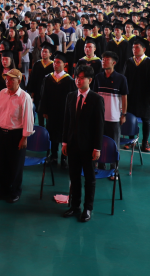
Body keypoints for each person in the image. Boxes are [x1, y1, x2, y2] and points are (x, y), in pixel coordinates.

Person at [61, 64, 104, 222]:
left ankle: (88, 208)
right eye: (76, 78)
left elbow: (99, 126)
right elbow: (67, 121)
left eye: (81, 78)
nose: (78, 81)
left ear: (90, 80)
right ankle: (75, 206)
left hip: (88, 147)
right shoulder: (71, 96)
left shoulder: (96, 99)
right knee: (74, 177)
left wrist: (97, 147)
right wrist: (64, 142)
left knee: (89, 178)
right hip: (72, 144)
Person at [0, 69, 34, 203]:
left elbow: (28, 118)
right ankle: (3, 189)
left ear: (19, 81)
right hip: (2, 133)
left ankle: (15, 191)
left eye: (11, 79)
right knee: (3, 164)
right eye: (7, 79)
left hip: (16, 135)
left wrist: (24, 138)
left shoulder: (24, 97)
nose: (8, 82)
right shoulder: (1, 94)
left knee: (16, 166)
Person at [121, 37, 150, 151]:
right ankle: (131, 140)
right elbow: (124, 79)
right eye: (133, 48)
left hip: (145, 96)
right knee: (130, 118)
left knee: (146, 120)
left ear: (144, 49)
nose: (134, 50)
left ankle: (145, 142)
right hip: (131, 95)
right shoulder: (129, 61)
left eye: (137, 47)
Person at [39, 51, 76, 168]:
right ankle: (53, 156)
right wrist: (44, 110)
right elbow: (43, 95)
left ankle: (64, 158)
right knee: (52, 133)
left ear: (65, 64)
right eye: (54, 62)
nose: (55, 64)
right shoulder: (48, 78)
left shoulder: (69, 80)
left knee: (64, 134)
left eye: (58, 62)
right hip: (51, 112)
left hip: (64, 113)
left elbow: (72, 99)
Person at [94, 51, 128, 149]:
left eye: (107, 59)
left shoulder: (121, 79)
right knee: (99, 144)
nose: (103, 61)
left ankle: (115, 160)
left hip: (114, 118)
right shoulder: (98, 77)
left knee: (113, 145)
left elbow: (124, 98)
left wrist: (123, 114)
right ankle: (101, 160)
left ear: (114, 63)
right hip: (100, 117)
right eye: (103, 59)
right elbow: (95, 96)